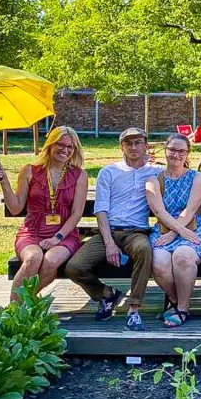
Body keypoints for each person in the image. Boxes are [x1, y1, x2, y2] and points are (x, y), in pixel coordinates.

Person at [65, 127, 159, 331]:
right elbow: (101, 209)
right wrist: (109, 243)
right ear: (121, 147)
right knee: (74, 267)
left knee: (144, 249)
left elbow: (185, 180)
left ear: (146, 146)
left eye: (138, 143)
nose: (133, 147)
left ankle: (134, 309)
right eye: (128, 143)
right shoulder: (108, 172)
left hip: (137, 233)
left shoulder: (157, 173)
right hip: (109, 231)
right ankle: (107, 294)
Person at [0, 126, 88, 302]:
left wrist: (57, 238)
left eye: (70, 147)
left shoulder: (79, 176)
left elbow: (76, 214)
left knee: (51, 260)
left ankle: (23, 303)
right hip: (32, 231)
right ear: (50, 145)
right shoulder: (29, 171)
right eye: (60, 144)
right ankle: (15, 308)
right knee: (33, 257)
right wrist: (4, 182)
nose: (65, 150)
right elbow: (15, 208)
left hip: (64, 234)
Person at [145, 133, 201, 328]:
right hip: (163, 229)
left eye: (181, 151)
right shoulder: (154, 180)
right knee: (158, 262)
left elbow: (191, 210)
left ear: (187, 154)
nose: (176, 154)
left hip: (194, 228)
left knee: (183, 256)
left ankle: (182, 308)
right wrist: (173, 232)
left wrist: (175, 232)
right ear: (165, 151)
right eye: (172, 150)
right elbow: (158, 211)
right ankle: (177, 301)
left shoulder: (197, 177)